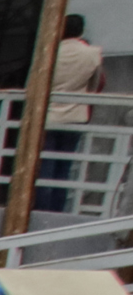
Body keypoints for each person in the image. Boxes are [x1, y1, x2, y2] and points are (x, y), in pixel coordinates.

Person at [42, 12, 107, 213]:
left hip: (48, 115)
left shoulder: (49, 51)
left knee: (44, 168)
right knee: (64, 169)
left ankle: (40, 209)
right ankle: (56, 210)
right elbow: (97, 84)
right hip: (76, 116)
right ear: (81, 31)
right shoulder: (92, 54)